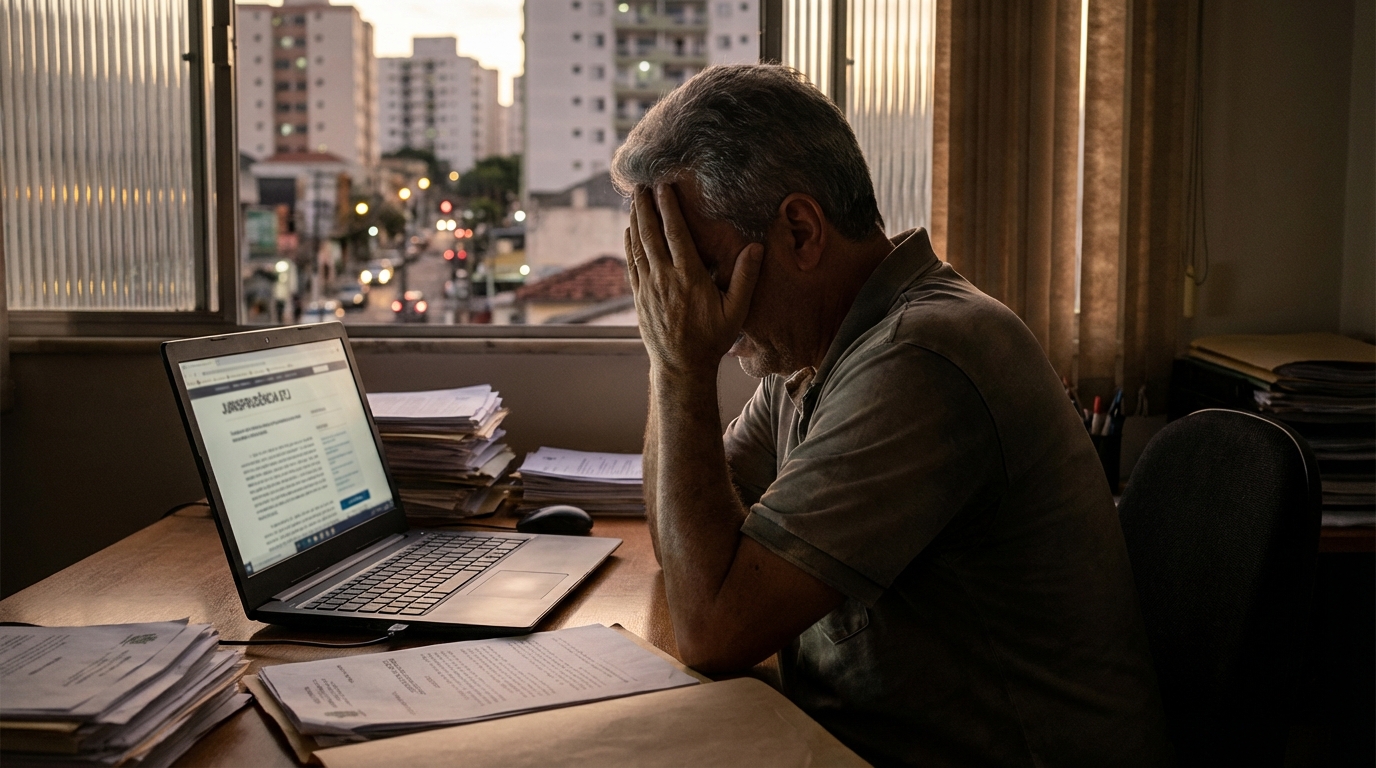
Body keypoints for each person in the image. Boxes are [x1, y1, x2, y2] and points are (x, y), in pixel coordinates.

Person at [610, 64, 1170, 766]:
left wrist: (680, 366)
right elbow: (689, 547)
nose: (693, 303)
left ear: (802, 232)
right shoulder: (816, 352)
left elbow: (713, 626)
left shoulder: (921, 357)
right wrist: (671, 358)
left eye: (704, 271)